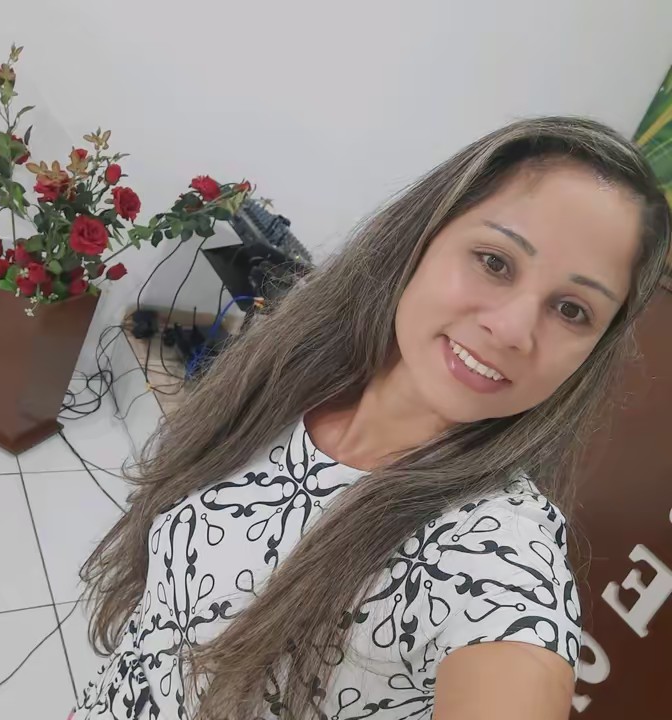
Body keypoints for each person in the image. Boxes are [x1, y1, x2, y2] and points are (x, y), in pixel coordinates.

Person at [73, 117, 671, 720]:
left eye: (572, 310)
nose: (513, 329)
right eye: (495, 261)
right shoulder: (298, 374)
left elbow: (512, 659)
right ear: (424, 235)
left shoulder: (495, 556)